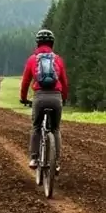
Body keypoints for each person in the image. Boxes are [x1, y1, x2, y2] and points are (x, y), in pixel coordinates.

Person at [19, 29, 68, 173]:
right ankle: (56, 162)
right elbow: (64, 83)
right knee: (55, 129)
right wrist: (64, 98)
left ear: (37, 43)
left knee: (36, 127)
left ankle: (34, 158)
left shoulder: (32, 59)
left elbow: (25, 82)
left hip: (40, 97)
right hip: (56, 97)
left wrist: (23, 98)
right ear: (52, 43)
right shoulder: (58, 59)